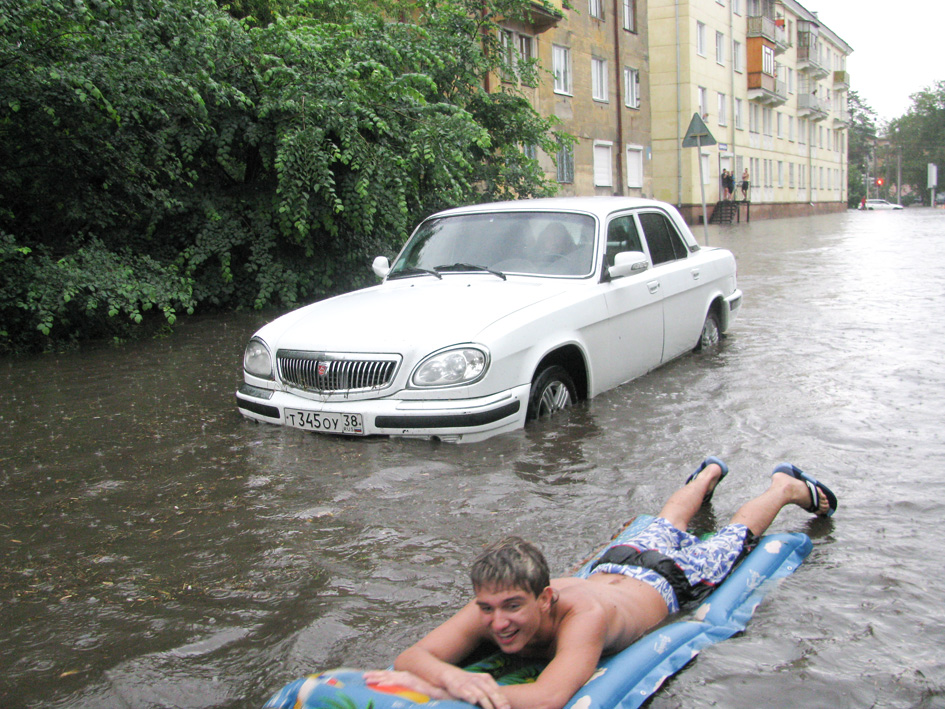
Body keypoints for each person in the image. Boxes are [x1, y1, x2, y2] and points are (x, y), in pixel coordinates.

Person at [365, 458, 838, 709]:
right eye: (488, 609)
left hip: (668, 581)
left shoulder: (582, 618)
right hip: (616, 565)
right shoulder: (491, 604)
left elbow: (549, 697)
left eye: (512, 607)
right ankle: (708, 473)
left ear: (545, 598)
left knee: (736, 535)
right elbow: (411, 656)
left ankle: (784, 486)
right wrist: (448, 674)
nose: (498, 622)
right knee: (667, 520)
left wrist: (446, 691)